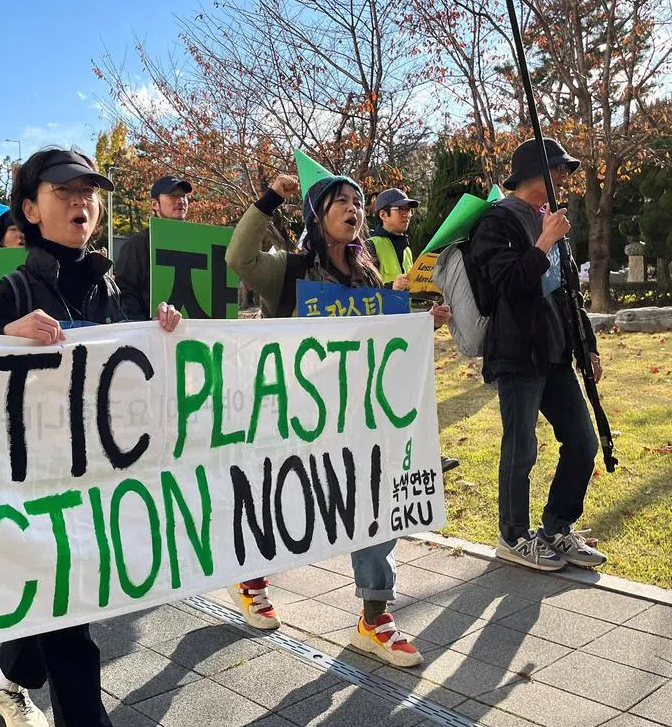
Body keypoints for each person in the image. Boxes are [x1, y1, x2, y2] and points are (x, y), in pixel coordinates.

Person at [0, 148, 180, 727]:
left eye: (88, 192)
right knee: (70, 625)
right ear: (30, 209)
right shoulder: (2, 295)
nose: (82, 202)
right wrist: (0, 340)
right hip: (34, 491)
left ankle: (6, 680)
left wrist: (162, 331)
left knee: (60, 604)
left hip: (101, 483)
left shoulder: (118, 295)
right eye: (64, 192)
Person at [226, 172, 450, 668]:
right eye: (341, 201)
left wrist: (421, 323)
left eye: (358, 202)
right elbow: (239, 258)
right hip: (295, 414)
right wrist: (271, 198)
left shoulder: (367, 276)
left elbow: (384, 332)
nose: (353, 209)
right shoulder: (290, 269)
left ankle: (374, 617)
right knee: (282, 500)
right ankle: (252, 578)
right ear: (317, 213)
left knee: (374, 499)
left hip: (358, 414)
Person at [471, 138, 605, 572]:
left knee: (582, 442)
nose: (564, 178)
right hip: (517, 353)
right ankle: (512, 536)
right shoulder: (497, 221)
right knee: (521, 448)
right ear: (534, 171)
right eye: (559, 169)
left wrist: (587, 346)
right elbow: (507, 285)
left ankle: (557, 527)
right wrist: (544, 240)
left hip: (556, 352)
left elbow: (569, 293)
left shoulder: (552, 220)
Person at [369, 189, 461, 473]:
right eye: (400, 209)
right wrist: (389, 287)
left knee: (415, 397)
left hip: (406, 336)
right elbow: (361, 293)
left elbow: (412, 293)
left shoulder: (408, 249)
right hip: (381, 339)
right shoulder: (370, 246)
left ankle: (426, 456)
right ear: (383, 215)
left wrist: (430, 310)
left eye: (409, 209)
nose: (407, 214)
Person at [114, 175, 192, 320]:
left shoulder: (196, 242)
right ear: (155, 204)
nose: (180, 201)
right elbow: (124, 293)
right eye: (173, 196)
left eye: (183, 196)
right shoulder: (137, 245)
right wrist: (147, 325)